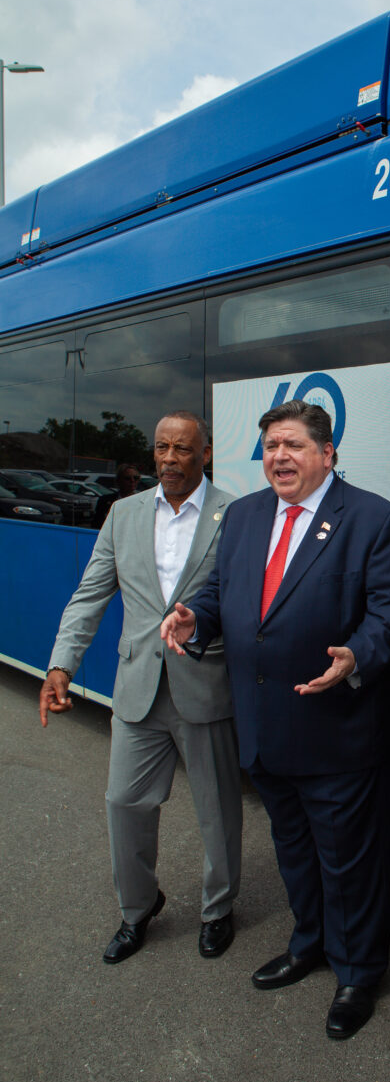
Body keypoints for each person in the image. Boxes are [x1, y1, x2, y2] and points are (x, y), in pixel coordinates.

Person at [161, 400, 390, 1040]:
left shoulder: (372, 518)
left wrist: (357, 655)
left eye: (294, 445)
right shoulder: (243, 516)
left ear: (328, 454)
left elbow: (389, 614)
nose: (279, 457)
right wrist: (196, 616)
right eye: (271, 445)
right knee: (295, 851)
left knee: (348, 861)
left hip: (338, 728)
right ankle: (310, 944)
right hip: (266, 728)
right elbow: (221, 590)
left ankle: (358, 972)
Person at [39, 412, 241, 964]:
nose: (170, 459)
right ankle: (138, 908)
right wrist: (61, 665)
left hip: (205, 682)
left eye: (183, 449)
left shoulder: (235, 514)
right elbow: (90, 595)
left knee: (217, 811)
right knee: (123, 802)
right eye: (161, 448)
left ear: (205, 454)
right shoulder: (122, 514)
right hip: (138, 686)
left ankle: (218, 909)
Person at [92, 462, 142, 528]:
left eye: (136, 478)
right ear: (119, 480)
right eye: (127, 478)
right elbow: (97, 524)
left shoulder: (143, 502)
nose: (132, 481)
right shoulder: (104, 501)